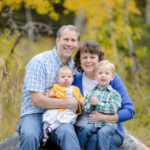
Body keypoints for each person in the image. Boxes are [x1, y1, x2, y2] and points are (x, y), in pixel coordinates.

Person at [17, 25, 82, 150]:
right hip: (34, 114)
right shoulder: (39, 62)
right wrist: (68, 103)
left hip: (60, 115)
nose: (69, 44)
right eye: (66, 39)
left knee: (68, 134)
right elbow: (37, 100)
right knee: (30, 135)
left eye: (73, 40)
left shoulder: (74, 67)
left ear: (77, 44)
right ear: (57, 40)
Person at [72, 40, 135, 150]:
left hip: (109, 129)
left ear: (99, 59)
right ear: (79, 60)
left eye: (92, 57)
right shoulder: (75, 79)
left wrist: (105, 118)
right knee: (90, 138)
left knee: (97, 139)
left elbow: (129, 111)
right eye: (84, 57)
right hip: (83, 128)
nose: (88, 61)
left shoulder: (111, 77)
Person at [78, 60, 122, 150]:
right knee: (85, 129)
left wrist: (99, 104)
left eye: (106, 73)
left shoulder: (114, 94)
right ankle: (80, 148)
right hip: (94, 123)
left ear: (112, 77)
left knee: (102, 133)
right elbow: (85, 110)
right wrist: (89, 104)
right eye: (100, 73)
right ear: (95, 77)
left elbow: (113, 109)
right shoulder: (91, 93)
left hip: (108, 124)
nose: (103, 75)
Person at [42, 65, 85, 144]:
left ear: (72, 79)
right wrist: (49, 95)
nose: (66, 79)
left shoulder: (75, 89)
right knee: (47, 120)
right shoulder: (56, 87)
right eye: (63, 77)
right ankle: (45, 136)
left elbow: (80, 97)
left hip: (69, 111)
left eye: (69, 77)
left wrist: (82, 101)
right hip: (57, 109)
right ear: (57, 79)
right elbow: (49, 94)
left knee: (64, 120)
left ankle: (51, 128)